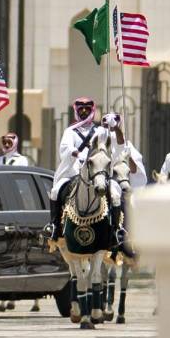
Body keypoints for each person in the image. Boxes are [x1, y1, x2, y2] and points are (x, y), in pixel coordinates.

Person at [47, 97, 109, 240]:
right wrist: (77, 153)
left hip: (95, 171)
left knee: (114, 192)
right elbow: (66, 148)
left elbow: (106, 144)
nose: (84, 112)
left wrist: (110, 126)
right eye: (81, 109)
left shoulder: (99, 130)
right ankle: (54, 226)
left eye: (87, 109)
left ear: (92, 111)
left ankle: (116, 229)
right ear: (76, 111)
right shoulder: (70, 131)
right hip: (73, 170)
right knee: (55, 191)